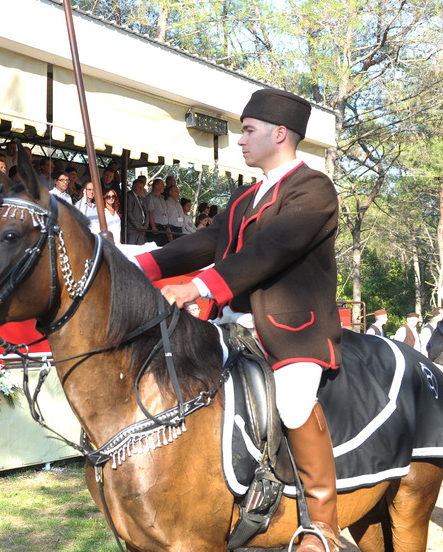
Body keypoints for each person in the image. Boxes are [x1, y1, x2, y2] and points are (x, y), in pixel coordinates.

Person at [134, 88, 344, 552]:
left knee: (291, 403)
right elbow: (204, 241)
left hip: (293, 331)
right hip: (231, 324)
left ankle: (323, 525)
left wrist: (199, 286)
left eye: (248, 131)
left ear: (280, 133)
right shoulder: (248, 195)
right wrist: (139, 265)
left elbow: (269, 251)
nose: (241, 141)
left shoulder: (313, 188)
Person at [144, 178, 168, 246]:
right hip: (156, 227)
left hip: (164, 227)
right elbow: (150, 212)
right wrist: (153, 226)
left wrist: (168, 228)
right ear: (156, 186)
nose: (164, 186)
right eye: (162, 184)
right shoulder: (150, 197)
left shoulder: (161, 198)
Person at [124, 176, 147, 245]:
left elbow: (146, 213)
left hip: (142, 229)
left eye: (142, 188)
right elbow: (129, 212)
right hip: (133, 229)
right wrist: (138, 225)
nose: (141, 189)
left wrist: (146, 225)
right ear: (133, 186)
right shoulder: (129, 196)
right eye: (139, 187)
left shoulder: (142, 198)